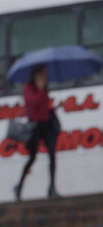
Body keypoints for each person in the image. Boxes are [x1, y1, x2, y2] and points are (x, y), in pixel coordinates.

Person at [14, 64, 62, 201]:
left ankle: (51, 187)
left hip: (47, 125)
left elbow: (44, 108)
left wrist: (56, 106)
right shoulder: (29, 88)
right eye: (43, 73)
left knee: (52, 156)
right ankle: (19, 186)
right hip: (35, 126)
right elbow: (33, 104)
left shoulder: (44, 87)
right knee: (32, 158)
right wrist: (40, 89)